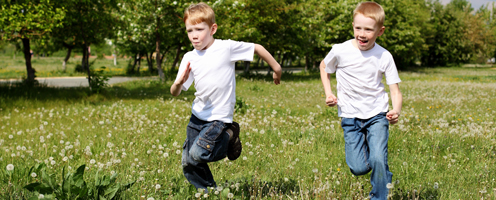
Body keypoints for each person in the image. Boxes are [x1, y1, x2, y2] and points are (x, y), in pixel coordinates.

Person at [170, 2, 282, 192]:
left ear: (213, 29)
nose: (194, 35)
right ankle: (210, 192)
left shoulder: (225, 48)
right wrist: (179, 83)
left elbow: (257, 47)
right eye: (190, 30)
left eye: (199, 29)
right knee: (188, 162)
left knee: (198, 153)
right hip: (197, 116)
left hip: (219, 117)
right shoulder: (189, 57)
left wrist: (276, 68)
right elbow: (175, 92)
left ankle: (230, 135)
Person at [319, 2, 402, 199]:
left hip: (377, 115)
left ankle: (379, 194)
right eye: (358, 28)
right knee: (358, 168)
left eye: (368, 29)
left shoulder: (384, 56)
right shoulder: (341, 50)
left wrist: (396, 111)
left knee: (378, 159)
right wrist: (328, 93)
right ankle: (383, 174)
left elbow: (395, 90)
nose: (362, 34)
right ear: (353, 26)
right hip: (350, 117)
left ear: (380, 31)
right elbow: (324, 67)